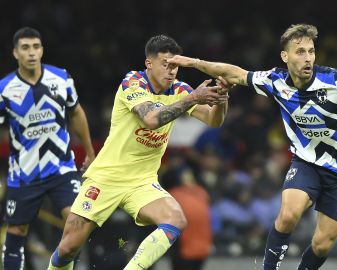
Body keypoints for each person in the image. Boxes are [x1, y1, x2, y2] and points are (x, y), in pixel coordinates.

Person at [167, 24, 337, 270]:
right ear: (285, 56)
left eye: (311, 51)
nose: (308, 57)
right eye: (300, 52)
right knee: (288, 215)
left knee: (322, 244)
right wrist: (191, 61)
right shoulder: (275, 81)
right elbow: (234, 73)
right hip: (307, 162)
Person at [47, 34, 229, 270]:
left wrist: (222, 98)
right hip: (106, 177)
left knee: (175, 219)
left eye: (175, 65)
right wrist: (194, 97)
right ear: (149, 63)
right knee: (69, 247)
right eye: (165, 64)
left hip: (142, 182)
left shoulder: (180, 90)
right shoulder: (132, 83)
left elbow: (213, 121)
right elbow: (151, 120)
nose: (172, 70)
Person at [0, 27, 96, 270]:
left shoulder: (61, 79)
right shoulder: (5, 89)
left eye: (35, 46)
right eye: (25, 48)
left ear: (41, 50)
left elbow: (76, 112)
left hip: (61, 168)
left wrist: (89, 152)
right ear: (15, 53)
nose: (31, 52)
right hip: (24, 173)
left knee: (78, 222)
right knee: (17, 230)